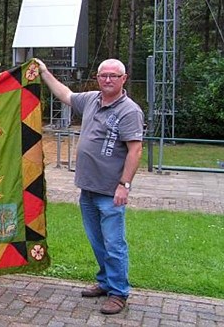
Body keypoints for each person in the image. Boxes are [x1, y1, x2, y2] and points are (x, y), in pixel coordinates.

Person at [36, 58, 144, 315]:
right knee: (98, 241)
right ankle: (106, 282)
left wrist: (124, 185)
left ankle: (119, 293)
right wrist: (44, 73)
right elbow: (66, 94)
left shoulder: (129, 111)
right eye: (103, 75)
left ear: (123, 79)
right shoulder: (92, 100)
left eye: (113, 76)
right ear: (97, 77)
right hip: (88, 188)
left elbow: (135, 150)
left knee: (114, 243)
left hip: (110, 191)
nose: (108, 80)